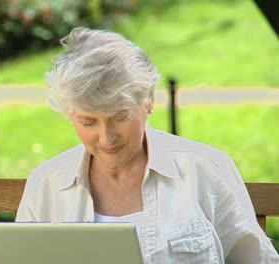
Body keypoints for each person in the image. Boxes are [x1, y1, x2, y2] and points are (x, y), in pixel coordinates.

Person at [15, 27, 279, 263]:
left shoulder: (204, 170)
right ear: (70, 115)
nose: (106, 138)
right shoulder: (47, 183)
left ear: (149, 100)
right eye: (88, 122)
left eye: (120, 117)